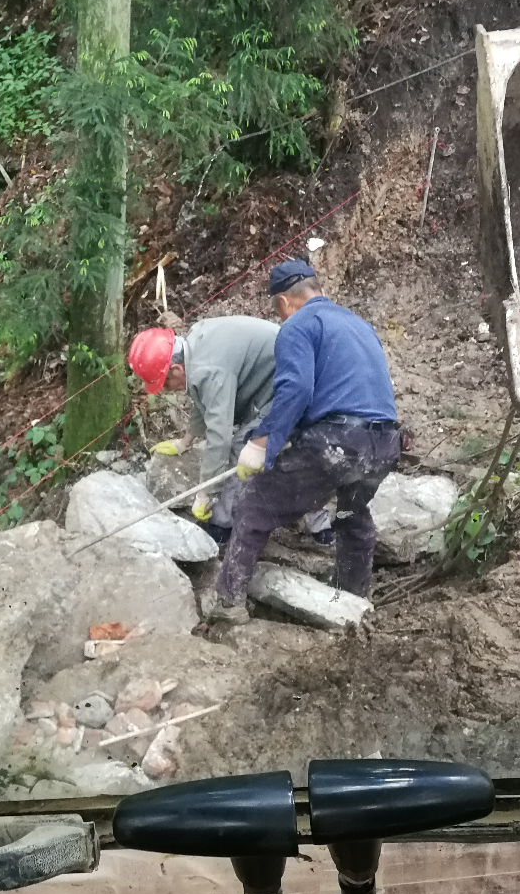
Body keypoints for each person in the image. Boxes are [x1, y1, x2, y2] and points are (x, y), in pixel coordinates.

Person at [209, 260, 405, 624]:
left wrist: (262, 442)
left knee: (254, 503)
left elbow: (296, 390)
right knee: (350, 514)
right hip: (382, 447)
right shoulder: (357, 324)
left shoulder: (298, 326)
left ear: (283, 302)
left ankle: (228, 602)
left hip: (340, 445)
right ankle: (353, 600)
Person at [128, 317, 334, 546]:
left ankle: (221, 526)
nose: (167, 390)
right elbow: (202, 399)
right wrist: (185, 442)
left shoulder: (208, 370)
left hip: (296, 385)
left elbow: (220, 437)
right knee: (291, 451)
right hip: (284, 376)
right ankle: (319, 522)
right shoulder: (196, 344)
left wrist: (205, 493)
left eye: (164, 383)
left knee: (243, 445)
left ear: (176, 369)